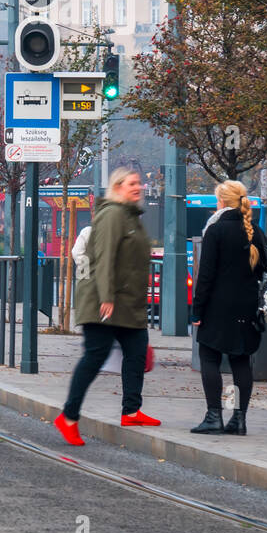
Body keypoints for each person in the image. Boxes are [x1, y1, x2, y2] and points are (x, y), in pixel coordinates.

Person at [54, 168, 159, 446]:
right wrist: (106, 297)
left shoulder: (131, 218)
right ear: (118, 187)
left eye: (140, 183)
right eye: (132, 184)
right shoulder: (113, 215)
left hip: (128, 305)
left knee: (137, 354)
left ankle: (132, 410)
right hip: (105, 301)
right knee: (95, 357)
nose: (138, 187)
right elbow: (104, 257)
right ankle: (68, 417)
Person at [189, 180, 267, 436]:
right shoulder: (255, 231)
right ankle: (239, 418)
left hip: (218, 306)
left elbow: (206, 276)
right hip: (247, 306)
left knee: (210, 356)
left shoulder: (216, 231)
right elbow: (264, 271)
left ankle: (214, 416)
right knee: (241, 359)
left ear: (221, 203)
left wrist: (197, 311)